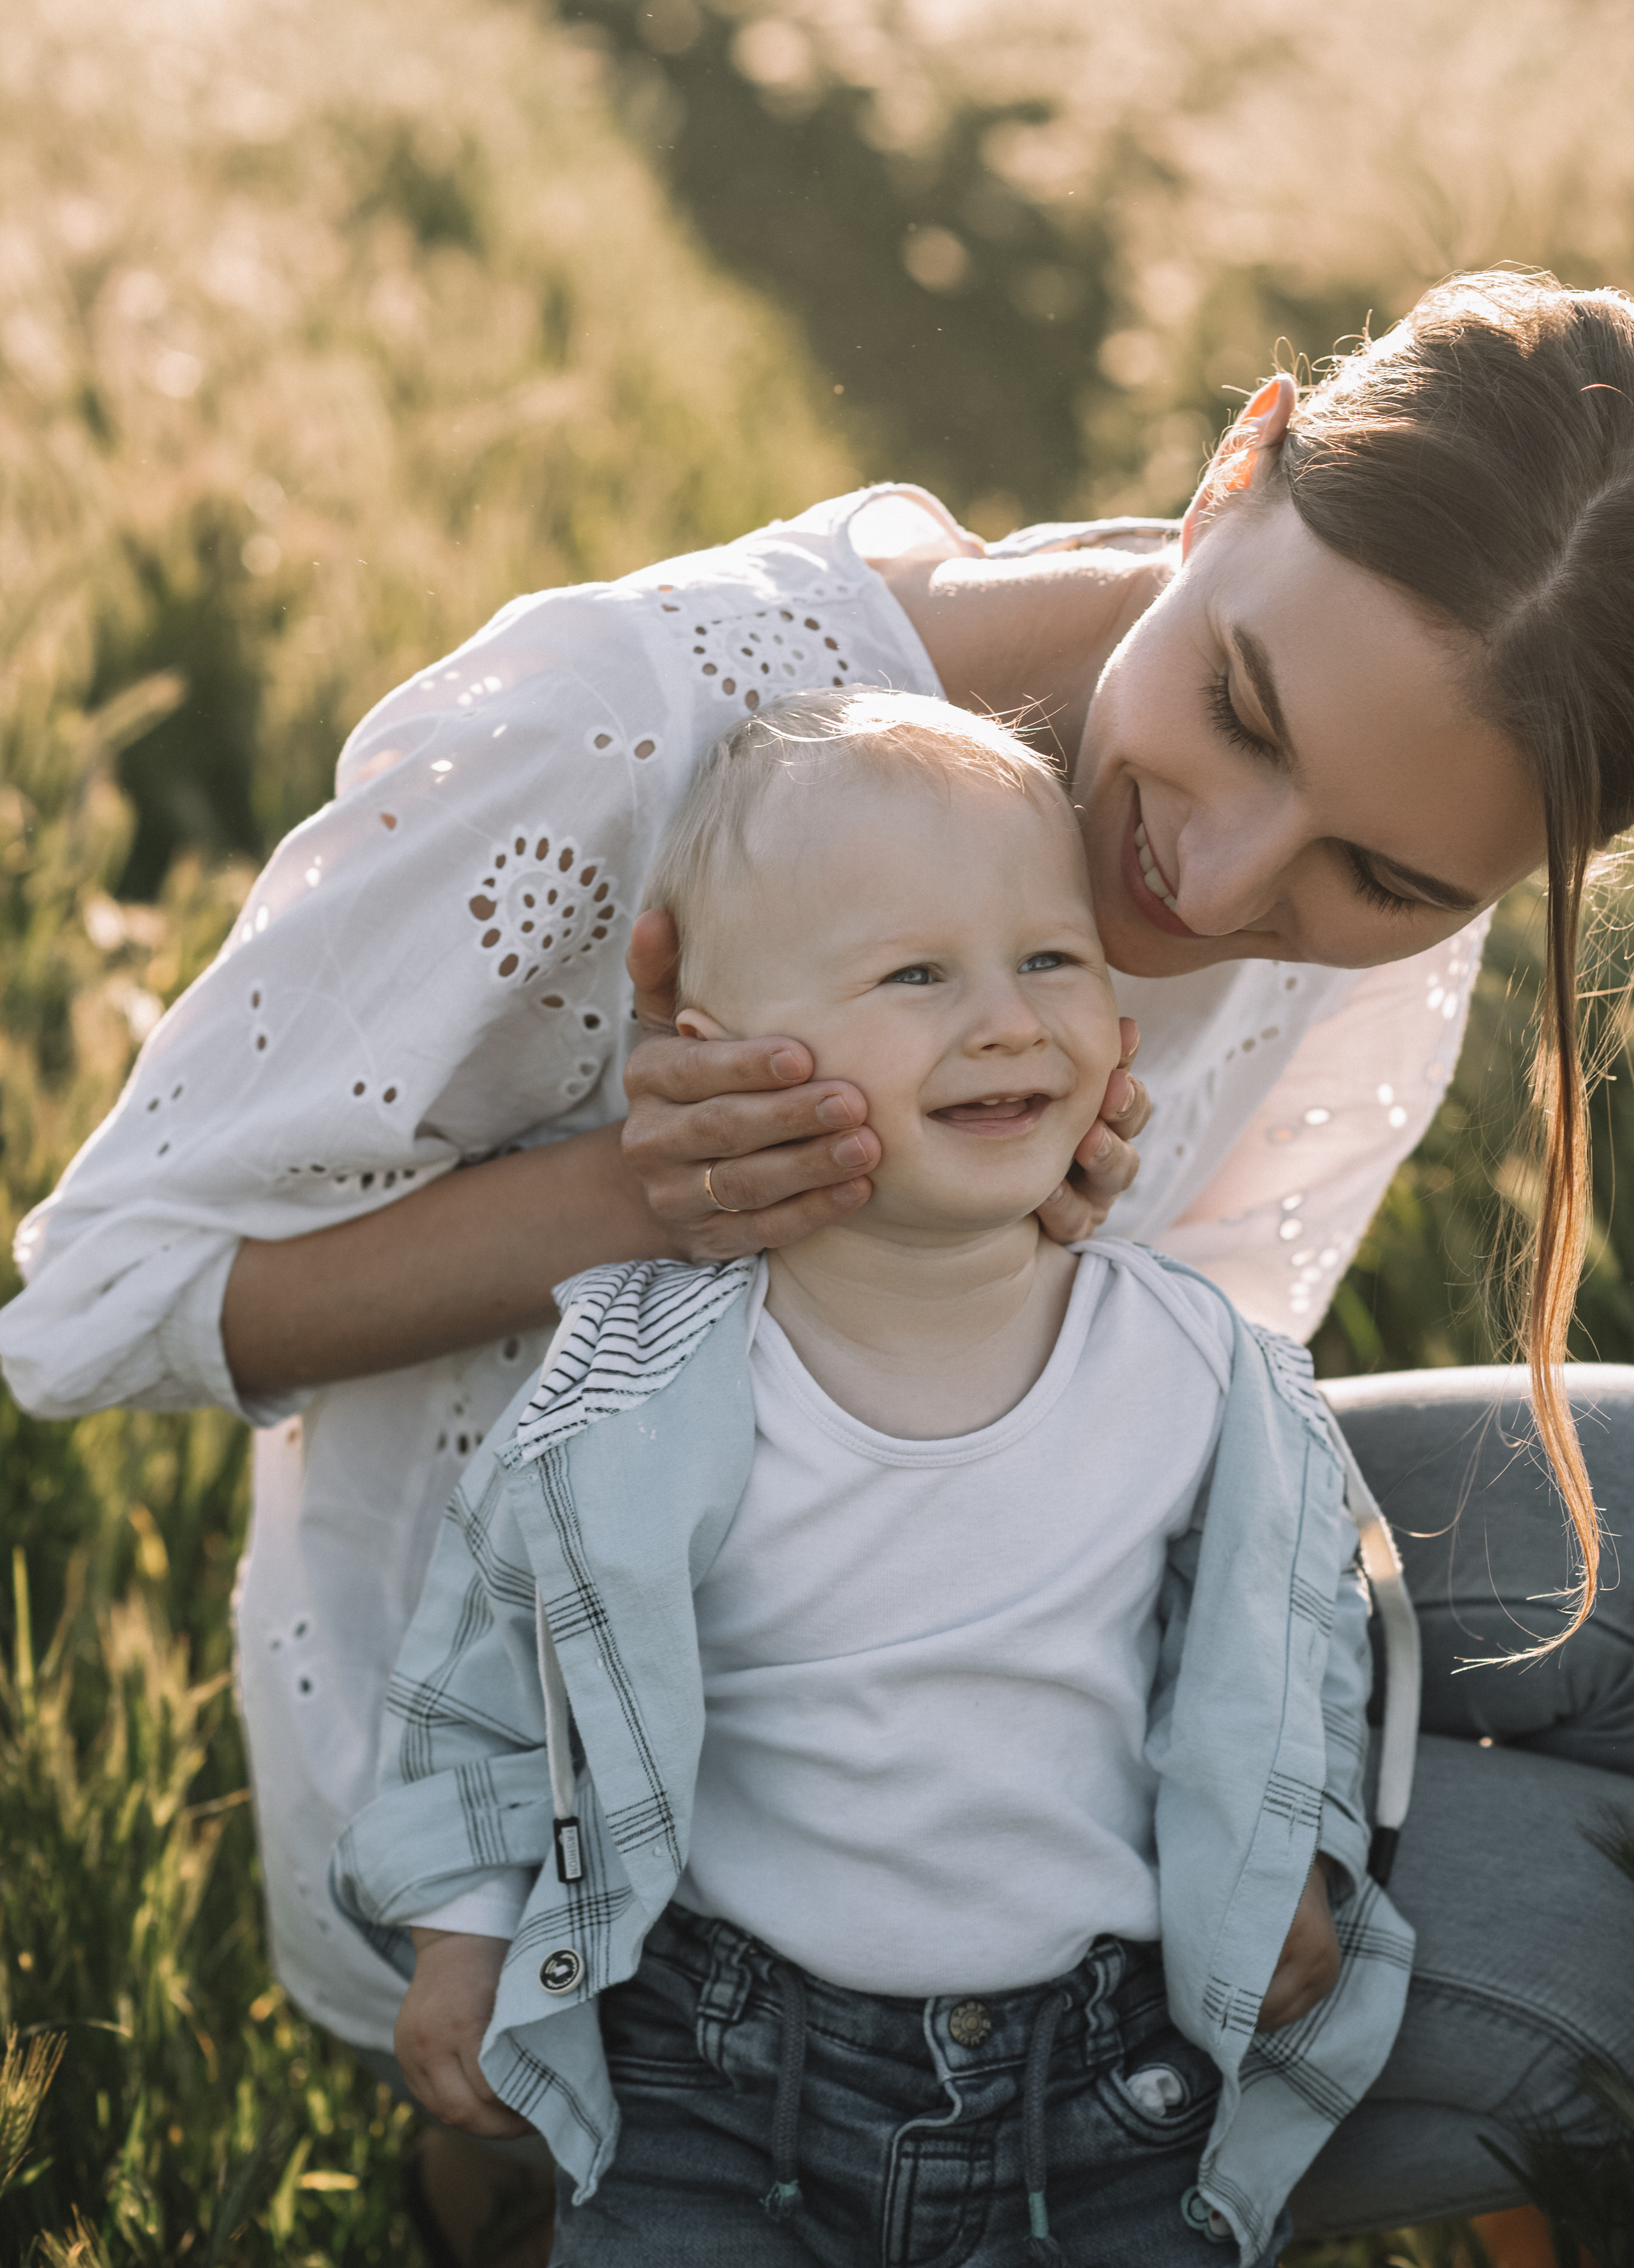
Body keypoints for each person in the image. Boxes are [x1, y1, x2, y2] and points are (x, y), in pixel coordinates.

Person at [4, 265, 1634, 2241]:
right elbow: (97, 1307)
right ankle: (542, 2190)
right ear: (1234, 471)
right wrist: (643, 1195)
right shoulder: (636, 729)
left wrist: (1248, 1742)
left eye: (1378, 876)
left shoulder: (1407, 869)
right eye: (1239, 711)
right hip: (584, 1769)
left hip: (1016, 1668)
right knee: (1602, 1980)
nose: (1217, 887)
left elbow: (1206, 1434)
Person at [334, 688, 1414, 2268]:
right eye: (915, 974)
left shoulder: (1190, 1362)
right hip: (712, 2064)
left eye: (1048, 959)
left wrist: (1296, 1856)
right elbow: (495, 1667)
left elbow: (1289, 1626)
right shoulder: (638, 1385)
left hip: (1098, 2078)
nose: (1005, 1021)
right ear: (724, 1058)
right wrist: (466, 1928)